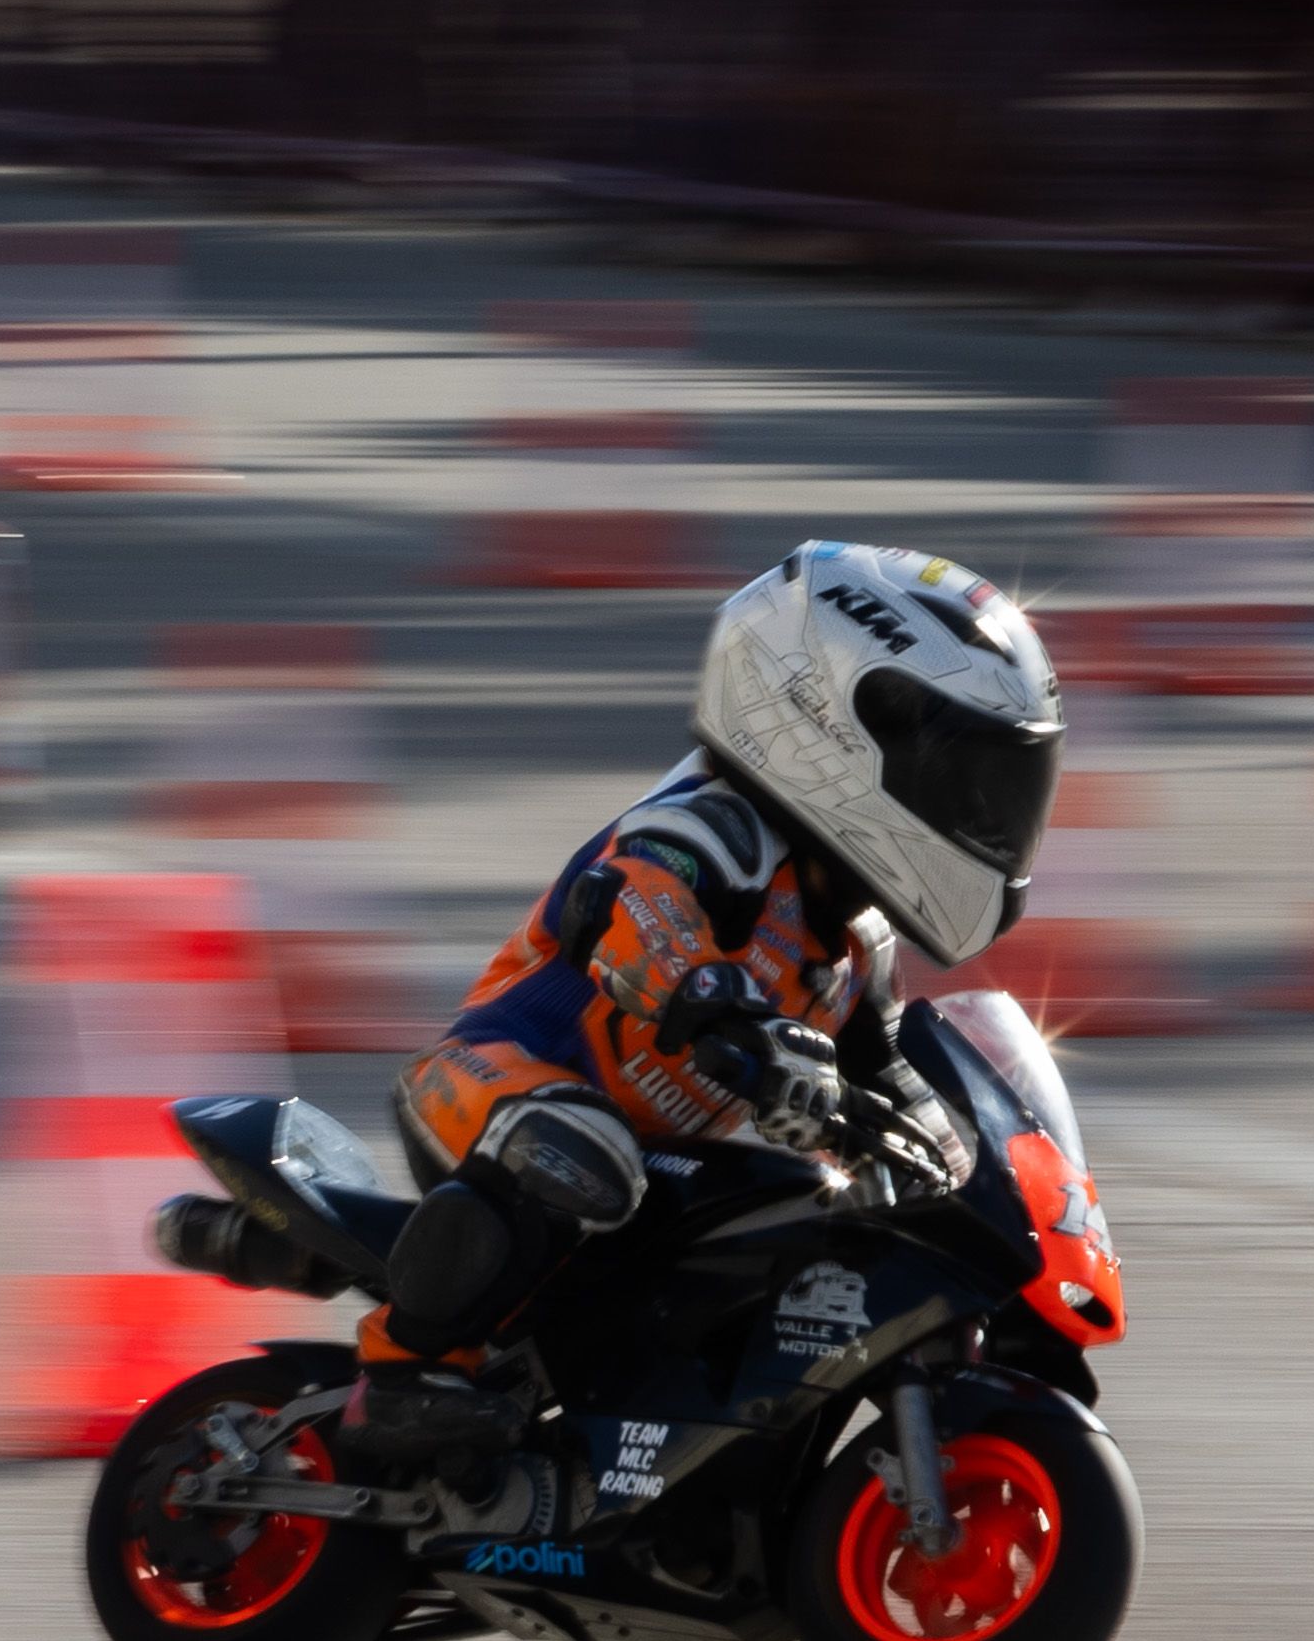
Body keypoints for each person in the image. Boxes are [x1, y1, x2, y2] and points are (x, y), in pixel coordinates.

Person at [341, 540, 1066, 1467]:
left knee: (791, 1216)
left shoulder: (854, 945)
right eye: (962, 778)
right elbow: (635, 910)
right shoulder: (712, 831)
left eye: (1004, 792)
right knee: (580, 1147)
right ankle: (401, 1374)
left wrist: (964, 1168)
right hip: (492, 1088)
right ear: (827, 721)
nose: (987, 817)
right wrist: (725, 1011)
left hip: (651, 1168)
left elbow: (889, 1070)